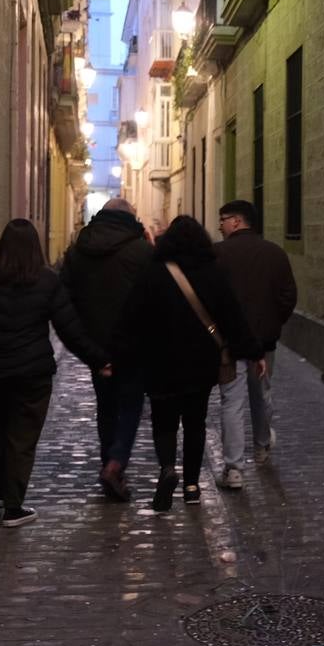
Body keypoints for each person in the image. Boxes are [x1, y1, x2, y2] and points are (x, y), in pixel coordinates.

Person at [0, 219, 110, 528]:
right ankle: (14, 507)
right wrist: (98, 360)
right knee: (22, 436)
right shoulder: (46, 281)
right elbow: (69, 329)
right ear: (35, 246)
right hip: (32, 373)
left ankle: (0, 493)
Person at [115, 215, 265, 511]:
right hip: (201, 360)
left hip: (160, 360)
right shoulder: (213, 271)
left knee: (164, 420)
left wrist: (117, 355)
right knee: (195, 422)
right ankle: (193, 487)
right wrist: (254, 352)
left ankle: (168, 468)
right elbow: (232, 315)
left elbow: (131, 317)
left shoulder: (153, 272)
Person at [60, 197, 153, 501]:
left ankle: (108, 463)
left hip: (95, 347)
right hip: (135, 345)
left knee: (106, 406)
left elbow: (64, 302)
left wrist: (87, 347)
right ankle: (115, 464)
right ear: (131, 218)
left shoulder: (77, 252)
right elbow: (155, 298)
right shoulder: (141, 251)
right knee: (130, 406)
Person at [213, 199, 297, 488]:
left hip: (229, 343)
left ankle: (234, 469)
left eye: (223, 219)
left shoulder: (217, 254)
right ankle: (261, 446)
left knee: (231, 401)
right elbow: (288, 296)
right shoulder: (275, 254)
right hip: (263, 342)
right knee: (261, 393)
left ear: (237, 221)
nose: (219, 225)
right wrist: (272, 324)